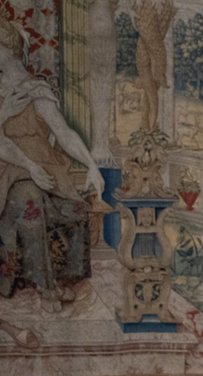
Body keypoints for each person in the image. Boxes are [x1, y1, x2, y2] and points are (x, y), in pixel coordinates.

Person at [0, 18, 104, 305]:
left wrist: (92, 164)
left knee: (73, 208)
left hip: (44, 170)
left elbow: (65, 133)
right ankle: (46, 288)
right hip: (8, 172)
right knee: (28, 200)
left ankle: (66, 277)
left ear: (9, 46)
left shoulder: (35, 89)